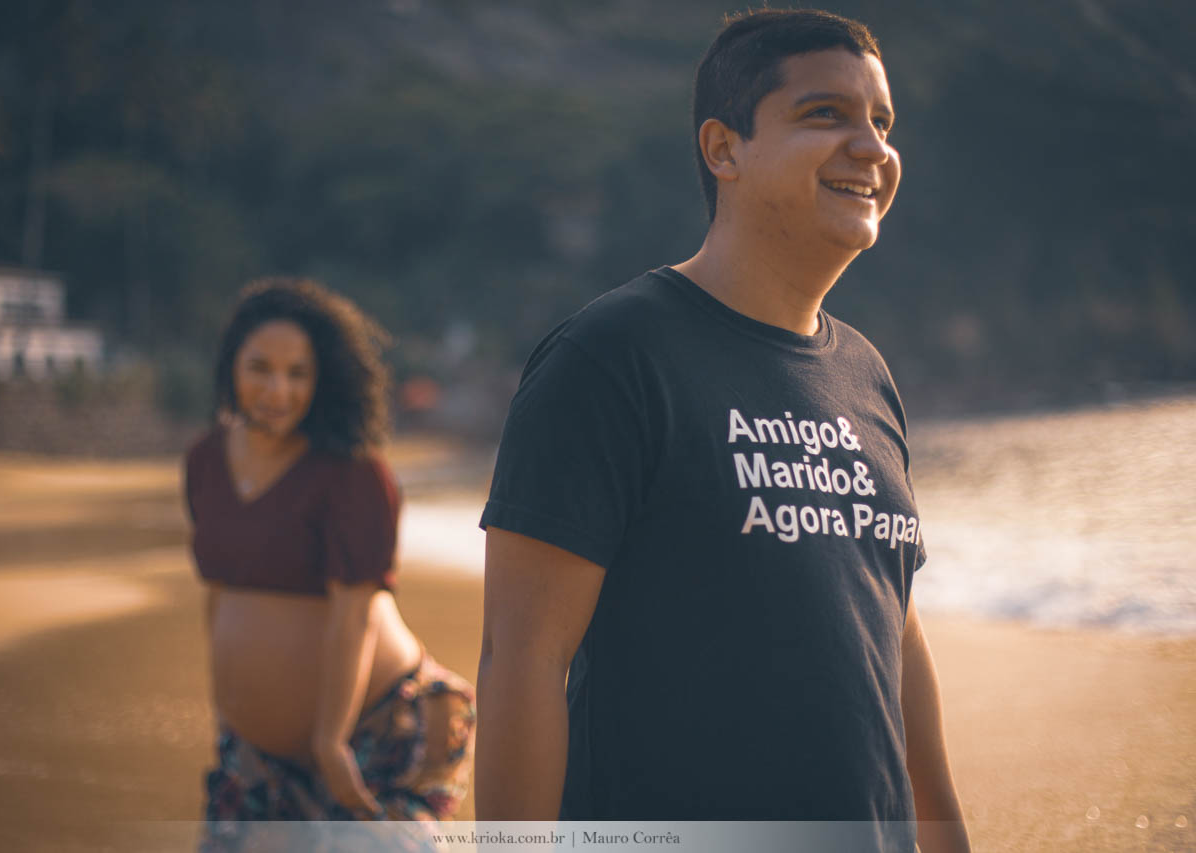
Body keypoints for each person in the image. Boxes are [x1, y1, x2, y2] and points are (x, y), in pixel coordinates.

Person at [476, 8, 969, 852]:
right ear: (723, 148)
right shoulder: (611, 358)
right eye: (825, 114)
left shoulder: (865, 374)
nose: (872, 148)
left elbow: (895, 623)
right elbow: (523, 659)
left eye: (881, 121)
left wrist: (946, 834)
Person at [183, 279, 474, 847]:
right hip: (254, 754)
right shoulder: (205, 460)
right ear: (230, 365)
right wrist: (230, 708)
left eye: (298, 374)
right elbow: (219, 590)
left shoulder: (352, 471)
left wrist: (329, 739)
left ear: (322, 382)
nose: (277, 390)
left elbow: (355, 614)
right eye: (260, 368)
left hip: (375, 733)